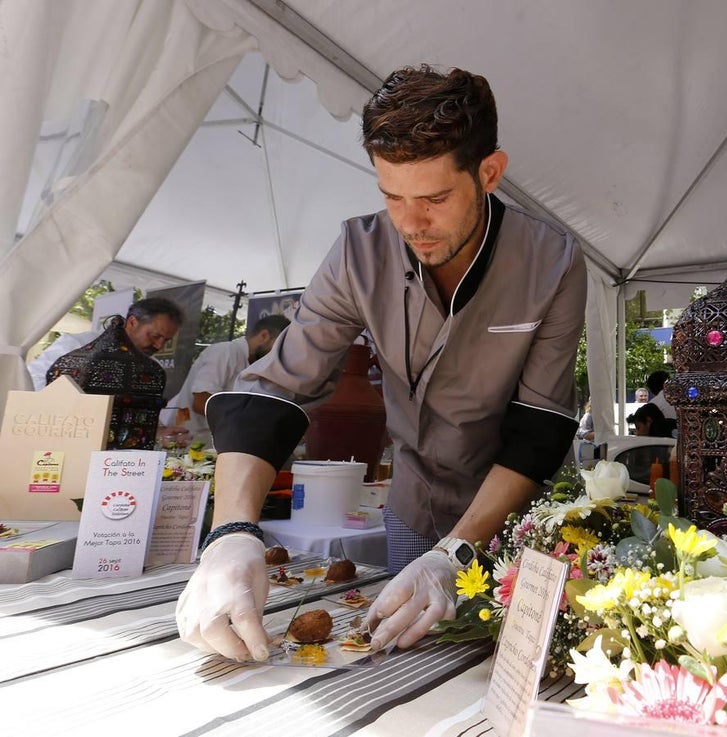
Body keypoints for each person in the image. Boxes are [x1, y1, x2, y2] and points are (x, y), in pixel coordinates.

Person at [176, 65, 586, 660]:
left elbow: (540, 426)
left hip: (515, 515)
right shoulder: (358, 253)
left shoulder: (554, 263)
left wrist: (455, 552)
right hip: (413, 504)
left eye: (435, 199)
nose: (411, 224)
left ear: (489, 173)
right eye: (392, 197)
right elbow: (276, 388)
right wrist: (231, 533)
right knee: (399, 662)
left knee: (505, 669)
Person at [160, 314, 291, 444]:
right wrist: (250, 421)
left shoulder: (257, 366)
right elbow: (201, 402)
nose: (279, 354)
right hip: (189, 442)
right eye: (279, 347)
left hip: (217, 445)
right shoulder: (226, 351)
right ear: (264, 336)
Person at [27, 296, 184, 390]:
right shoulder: (77, 345)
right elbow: (33, 380)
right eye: (155, 336)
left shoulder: (151, 367)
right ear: (132, 322)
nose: (159, 346)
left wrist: (160, 429)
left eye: (166, 340)